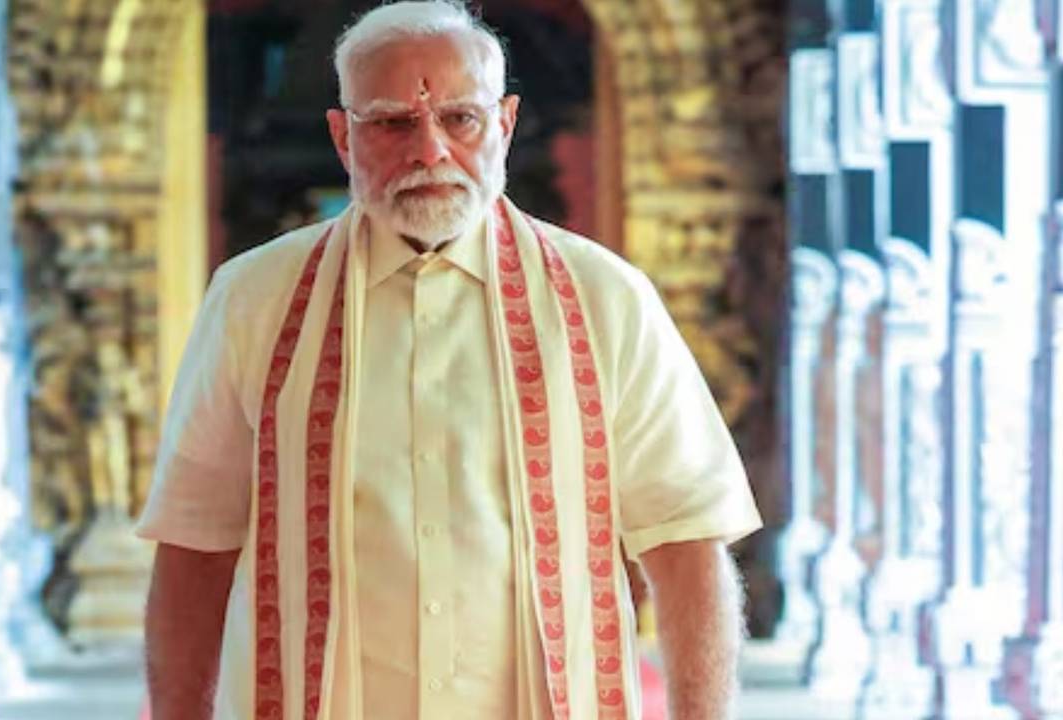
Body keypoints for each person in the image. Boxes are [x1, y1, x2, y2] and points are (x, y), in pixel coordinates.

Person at [137, 2, 762, 719]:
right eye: (393, 123)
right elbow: (194, 548)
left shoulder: (606, 299)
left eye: (460, 118)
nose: (430, 151)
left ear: (506, 124)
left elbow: (686, 542)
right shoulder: (254, 299)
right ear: (343, 137)